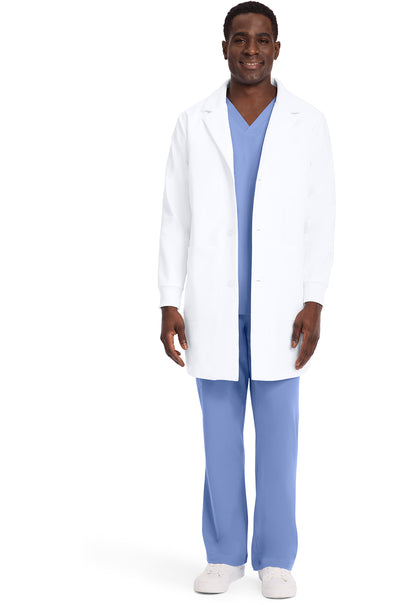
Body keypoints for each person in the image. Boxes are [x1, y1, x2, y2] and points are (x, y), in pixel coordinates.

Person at [158, 1, 336, 599]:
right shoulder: (194, 122)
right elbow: (175, 216)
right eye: (240, 39)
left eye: (262, 39)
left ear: (278, 49)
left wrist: (314, 299)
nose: (251, 50)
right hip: (212, 304)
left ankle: (276, 557)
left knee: (280, 439)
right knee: (220, 436)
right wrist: (169, 299)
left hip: (282, 308)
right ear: (224, 47)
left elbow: (320, 216)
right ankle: (225, 554)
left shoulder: (308, 123)